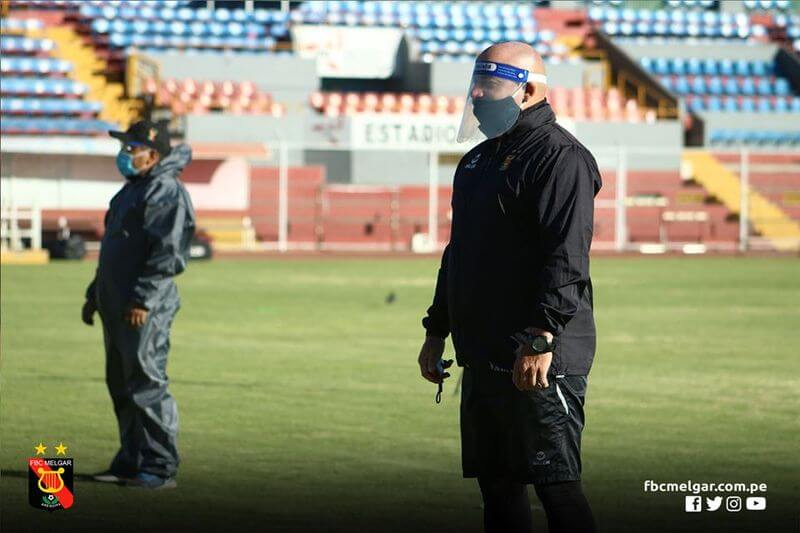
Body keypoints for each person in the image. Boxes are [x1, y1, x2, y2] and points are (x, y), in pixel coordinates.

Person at [418, 42, 602, 533]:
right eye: (475, 84)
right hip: (483, 352)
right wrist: (437, 330)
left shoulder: (561, 157)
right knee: (497, 485)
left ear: (529, 92)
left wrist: (542, 334)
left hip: (540, 353)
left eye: (490, 85)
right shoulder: (476, 163)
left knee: (556, 485)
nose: (477, 95)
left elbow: (566, 257)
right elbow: (458, 254)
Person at [81, 120, 196, 490]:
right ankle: (131, 460)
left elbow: (168, 253)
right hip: (116, 305)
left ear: (153, 154)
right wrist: (94, 293)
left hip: (143, 307)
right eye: (124, 147)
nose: (124, 155)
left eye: (132, 149)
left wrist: (143, 298)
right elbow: (115, 251)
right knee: (121, 384)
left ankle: (159, 467)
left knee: (146, 384)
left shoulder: (165, 191)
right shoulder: (133, 189)